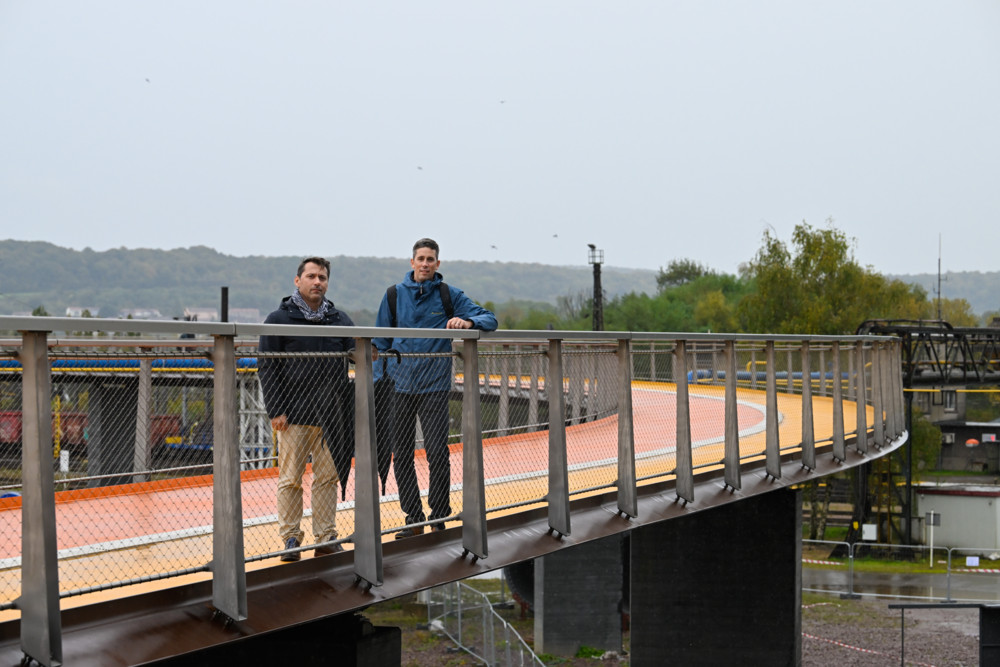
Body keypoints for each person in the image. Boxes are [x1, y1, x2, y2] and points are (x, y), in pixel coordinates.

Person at [374, 238, 497, 538]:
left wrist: (467, 321)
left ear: (437, 264)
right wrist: (379, 382)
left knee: (437, 453)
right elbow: (379, 341)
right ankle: (413, 519)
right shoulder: (393, 295)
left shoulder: (447, 295)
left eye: (431, 259)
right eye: (421, 259)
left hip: (434, 385)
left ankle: (439, 516)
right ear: (412, 262)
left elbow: (489, 319)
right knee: (401, 454)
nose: (425, 264)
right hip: (399, 386)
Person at [258, 257, 355, 561]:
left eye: (322, 277)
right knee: (290, 478)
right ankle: (291, 538)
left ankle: (325, 537)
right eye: (311, 276)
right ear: (297, 280)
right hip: (294, 415)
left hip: (332, 415)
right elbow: (267, 366)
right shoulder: (278, 320)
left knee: (328, 478)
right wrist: (276, 409)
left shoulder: (339, 319)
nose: (317, 282)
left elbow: (359, 352)